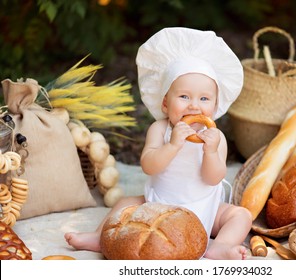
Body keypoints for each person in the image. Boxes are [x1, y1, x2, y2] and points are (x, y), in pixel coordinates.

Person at [65, 27, 252, 260]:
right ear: (165, 103)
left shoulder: (215, 137)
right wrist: (172, 146)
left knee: (241, 215)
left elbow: (213, 178)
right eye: (184, 96)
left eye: (204, 99)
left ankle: (219, 246)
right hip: (158, 205)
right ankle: (99, 236)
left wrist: (211, 152)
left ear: (214, 108)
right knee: (125, 203)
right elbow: (149, 166)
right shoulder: (161, 129)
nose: (194, 105)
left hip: (205, 209)